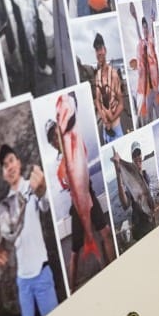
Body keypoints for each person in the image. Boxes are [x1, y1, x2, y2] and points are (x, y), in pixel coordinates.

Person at [0, 145, 59, 316]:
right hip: (22, 281)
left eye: (11, 160)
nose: (9, 167)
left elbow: (45, 204)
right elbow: (4, 239)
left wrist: (43, 190)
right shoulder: (4, 205)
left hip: (41, 272)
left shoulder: (31, 186)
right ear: (3, 173)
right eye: (5, 165)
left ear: (19, 162)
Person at [44, 118, 115, 288]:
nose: (55, 140)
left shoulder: (74, 144)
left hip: (88, 192)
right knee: (75, 251)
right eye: (51, 139)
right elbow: (67, 183)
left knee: (105, 232)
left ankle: (113, 269)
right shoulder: (57, 163)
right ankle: (72, 289)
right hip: (77, 203)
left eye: (56, 135)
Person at [116, 141, 155, 241]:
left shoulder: (146, 176)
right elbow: (125, 204)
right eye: (134, 155)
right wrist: (118, 174)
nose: (137, 157)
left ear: (142, 155)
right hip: (140, 228)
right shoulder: (130, 180)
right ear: (132, 158)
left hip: (151, 224)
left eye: (139, 153)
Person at [92, 33, 126, 141]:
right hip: (105, 129)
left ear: (105, 50)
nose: (99, 53)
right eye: (96, 50)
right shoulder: (97, 75)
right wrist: (104, 118)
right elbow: (97, 100)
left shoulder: (114, 74)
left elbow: (121, 103)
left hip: (115, 128)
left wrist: (111, 118)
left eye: (100, 49)